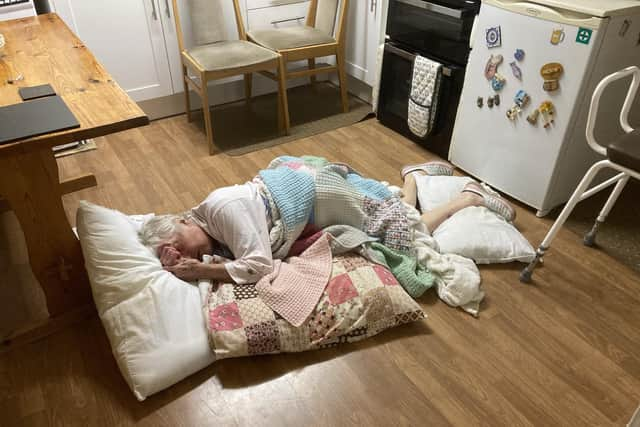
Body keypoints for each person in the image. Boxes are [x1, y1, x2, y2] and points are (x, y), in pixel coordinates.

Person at [139, 160, 515, 283]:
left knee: (402, 232)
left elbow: (258, 265)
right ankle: (412, 178)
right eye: (169, 255)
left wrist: (202, 272)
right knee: (385, 212)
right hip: (302, 202)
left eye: (175, 245)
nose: (181, 255)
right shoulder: (205, 221)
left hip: (312, 194)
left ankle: (468, 197)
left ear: (181, 221)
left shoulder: (221, 210)